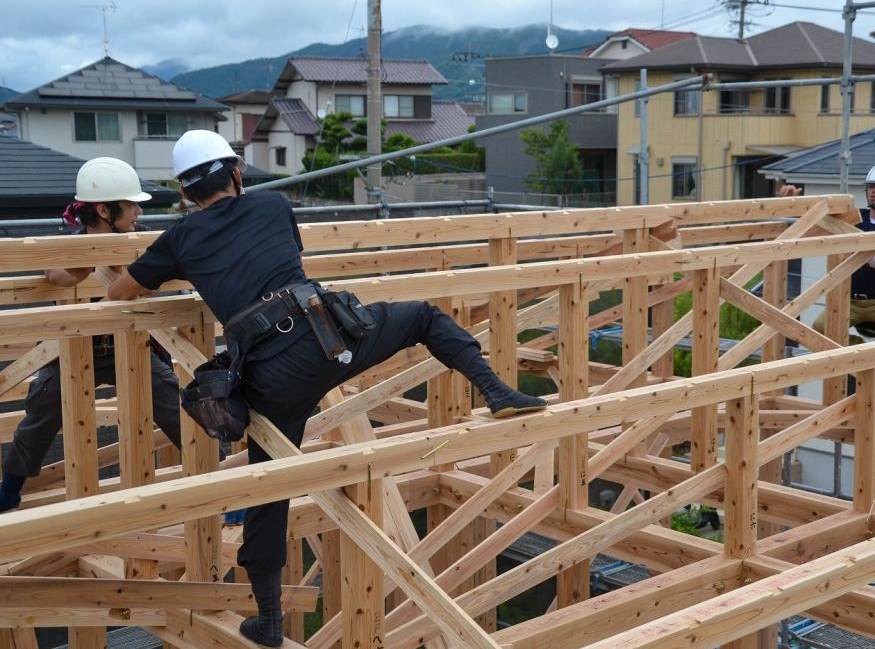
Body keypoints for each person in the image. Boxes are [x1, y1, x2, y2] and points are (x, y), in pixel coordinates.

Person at [108, 130, 547, 647]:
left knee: (268, 489)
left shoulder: (178, 239)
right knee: (424, 317)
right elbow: (276, 259)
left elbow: (121, 292)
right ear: (235, 174)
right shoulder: (271, 205)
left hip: (271, 380)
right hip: (330, 337)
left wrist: (149, 265)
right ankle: (496, 392)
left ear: (185, 194)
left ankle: (270, 620)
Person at [0, 158, 185, 513]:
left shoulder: (141, 241)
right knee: (39, 417)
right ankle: (9, 491)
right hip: (72, 349)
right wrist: (83, 264)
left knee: (178, 408)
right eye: (130, 204)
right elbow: (57, 275)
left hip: (130, 346)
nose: (135, 211)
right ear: (103, 209)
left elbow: (152, 282)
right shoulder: (68, 246)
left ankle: (222, 473)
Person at [798, 162, 875, 340]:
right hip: (849, 298)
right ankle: (857, 348)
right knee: (819, 329)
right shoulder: (855, 218)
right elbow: (821, 224)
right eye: (871, 186)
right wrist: (800, 209)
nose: (874, 191)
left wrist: (858, 246)